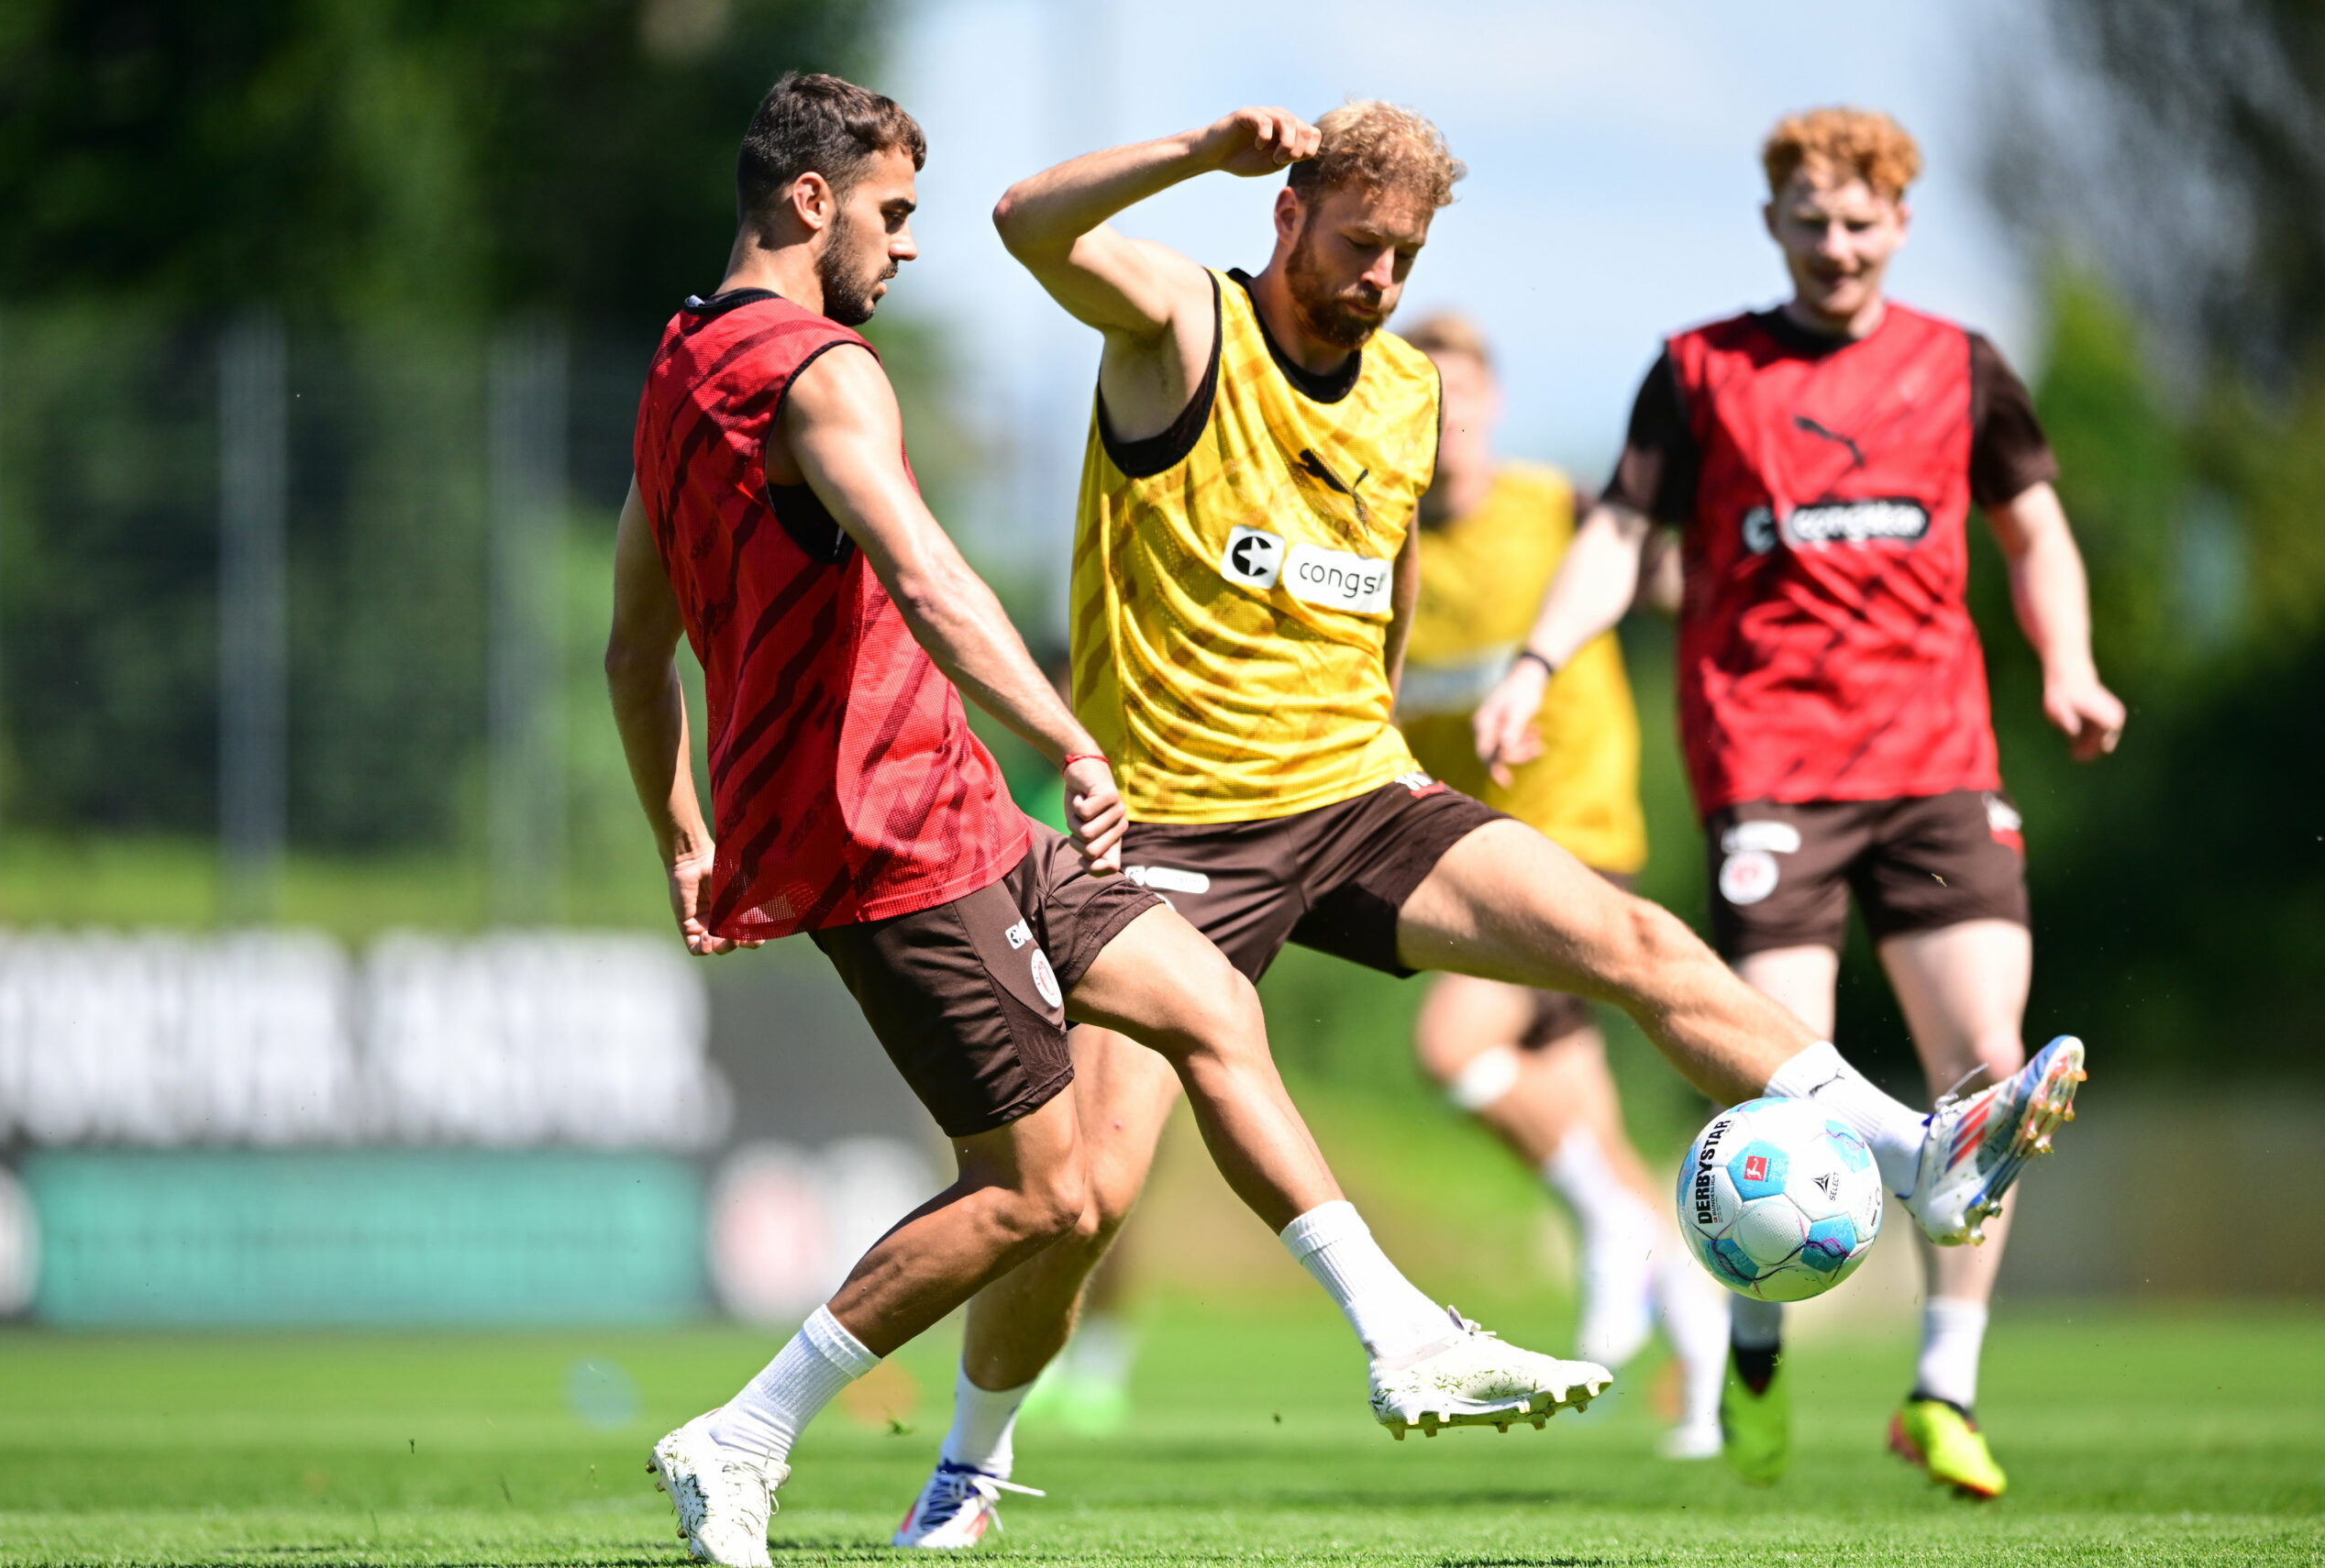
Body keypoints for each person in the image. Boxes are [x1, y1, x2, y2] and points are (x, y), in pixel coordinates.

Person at [892, 99, 2085, 1548]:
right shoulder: (1180, 325)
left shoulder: (1405, 395)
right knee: (1082, 1197)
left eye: (1405, 254)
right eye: (1357, 244)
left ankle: (1917, 1153)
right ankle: (965, 1469)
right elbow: (1026, 220)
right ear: (1288, 219)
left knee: (1633, 938)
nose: (1380, 278)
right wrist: (1202, 155)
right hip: (1175, 835)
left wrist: (1386, 742)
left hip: (1357, 795)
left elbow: (1381, 590)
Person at [607, 73, 1611, 1568]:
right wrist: (1069, 732)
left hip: (954, 809)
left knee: (1209, 1000)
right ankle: (744, 1435)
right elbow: (937, 587)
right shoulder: (828, 377)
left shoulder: (684, 365)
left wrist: (678, 821)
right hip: (887, 839)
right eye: (893, 215)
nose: (909, 248)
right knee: (1044, 1194)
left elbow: (634, 644)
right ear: (811, 204)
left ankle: (1402, 1337)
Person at [1471, 106, 2121, 1500]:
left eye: (1862, 222)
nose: (1837, 245)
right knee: (1789, 1085)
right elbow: (1620, 534)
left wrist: (2066, 660)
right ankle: (1757, 1354)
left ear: (1900, 224)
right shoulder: (1703, 372)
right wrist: (1536, 657)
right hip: (1770, 773)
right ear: (1775, 224)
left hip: (1939, 766)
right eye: (1812, 221)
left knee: (1987, 1070)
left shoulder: (1963, 368)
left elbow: (2037, 530)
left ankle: (1942, 1389)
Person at [1393, 311, 1728, 1461]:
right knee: (1580, 1117)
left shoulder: (1555, 508)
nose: (1451, 418)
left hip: (1577, 841)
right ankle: (1698, 1340)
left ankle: (1606, 1241)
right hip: (1472, 862)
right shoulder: (1384, 536)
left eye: (1466, 395)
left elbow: (1674, 572)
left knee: (1451, 1047)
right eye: (1425, 396)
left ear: (1493, 405)